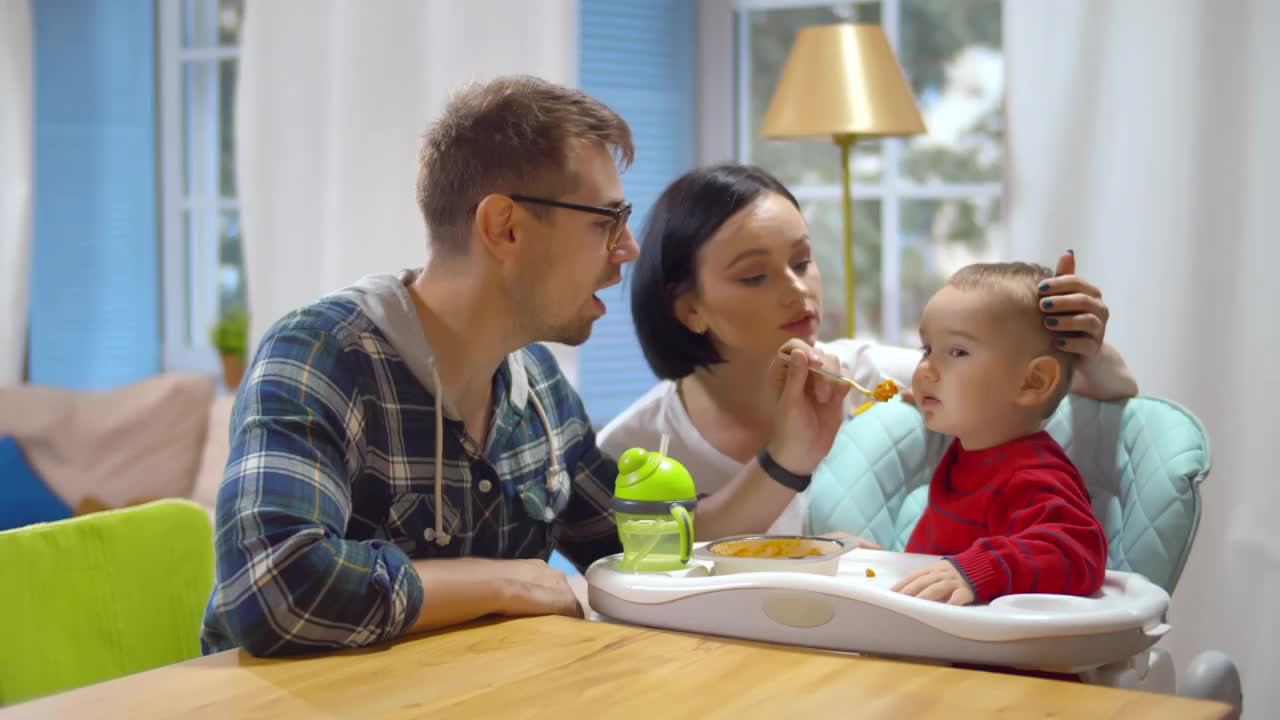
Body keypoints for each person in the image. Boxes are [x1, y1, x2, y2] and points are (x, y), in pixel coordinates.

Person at [201, 77, 851, 657]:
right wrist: (508, 581)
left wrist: (785, 459)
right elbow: (272, 589)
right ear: (505, 227)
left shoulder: (534, 382)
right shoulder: (322, 354)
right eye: (606, 221)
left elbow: (648, 547)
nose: (627, 250)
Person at [599, 164, 1138, 535]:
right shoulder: (635, 447)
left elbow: (1094, 394)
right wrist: (787, 459)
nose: (798, 289)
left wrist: (1084, 350)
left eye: (803, 261)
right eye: (756, 276)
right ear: (688, 308)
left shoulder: (881, 378)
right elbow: (663, 562)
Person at [890, 262, 1108, 605]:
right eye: (927, 350)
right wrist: (885, 563)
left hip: (989, 655)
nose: (924, 371)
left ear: (1032, 381)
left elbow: (1077, 552)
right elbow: (938, 564)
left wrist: (983, 568)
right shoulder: (970, 452)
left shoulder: (1033, 474)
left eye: (958, 352)